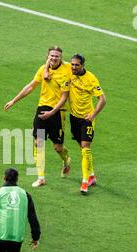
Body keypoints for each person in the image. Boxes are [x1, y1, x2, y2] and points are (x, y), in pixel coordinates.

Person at [39, 54, 106, 194]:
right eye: (73, 64)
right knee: (82, 148)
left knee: (85, 147)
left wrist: (93, 115)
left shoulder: (91, 79)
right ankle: (92, 176)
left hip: (87, 119)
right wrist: (46, 69)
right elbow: (52, 59)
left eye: (77, 65)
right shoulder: (69, 71)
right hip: (74, 118)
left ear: (83, 65)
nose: (74, 67)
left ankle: (84, 183)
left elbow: (102, 99)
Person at [4, 46, 71, 187]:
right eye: (51, 56)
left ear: (61, 57)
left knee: (58, 148)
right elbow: (30, 86)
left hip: (58, 112)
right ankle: (41, 177)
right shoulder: (43, 69)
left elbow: (68, 93)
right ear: (48, 56)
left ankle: (66, 160)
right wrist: (13, 100)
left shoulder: (68, 69)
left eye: (57, 56)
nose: (54, 58)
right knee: (38, 142)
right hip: (42, 109)